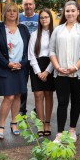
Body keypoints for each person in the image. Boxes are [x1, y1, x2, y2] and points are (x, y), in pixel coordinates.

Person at [49, 0, 80, 143]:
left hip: (78, 74)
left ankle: (72, 130)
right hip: (60, 73)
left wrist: (75, 67)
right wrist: (57, 67)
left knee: (75, 101)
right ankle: (60, 133)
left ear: (78, 12)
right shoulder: (57, 30)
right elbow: (51, 51)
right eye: (67, 11)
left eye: (73, 10)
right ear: (64, 13)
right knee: (62, 102)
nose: (70, 13)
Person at [0, 2, 31, 139]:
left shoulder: (23, 29)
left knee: (18, 95)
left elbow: (28, 49)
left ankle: (14, 123)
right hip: (4, 68)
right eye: (9, 11)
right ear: (5, 13)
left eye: (14, 11)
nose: (12, 13)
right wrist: (7, 63)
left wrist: (22, 63)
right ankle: (1, 126)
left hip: (20, 68)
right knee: (9, 96)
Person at [27, 8, 55, 136]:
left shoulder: (55, 34)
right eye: (42, 17)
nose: (44, 19)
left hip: (50, 65)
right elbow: (31, 55)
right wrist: (39, 72)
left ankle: (47, 123)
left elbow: (56, 54)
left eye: (46, 17)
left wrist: (47, 71)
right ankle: (40, 123)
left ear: (50, 18)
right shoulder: (34, 35)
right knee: (38, 95)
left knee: (48, 95)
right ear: (39, 20)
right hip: (37, 67)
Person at [19, 0, 39, 116]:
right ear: (22, 6)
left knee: (37, 85)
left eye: (30, 4)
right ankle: (22, 110)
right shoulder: (18, 18)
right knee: (23, 84)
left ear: (34, 5)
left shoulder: (39, 18)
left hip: (37, 56)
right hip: (23, 56)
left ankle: (38, 108)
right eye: (26, 4)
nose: (28, 6)